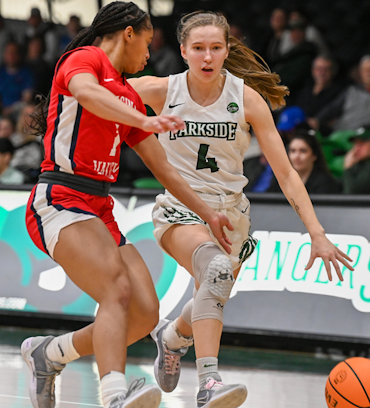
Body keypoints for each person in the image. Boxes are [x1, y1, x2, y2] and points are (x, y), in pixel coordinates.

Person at [130, 11, 353, 408]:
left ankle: (172, 339)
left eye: (216, 47)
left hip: (231, 216)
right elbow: (94, 90)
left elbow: (285, 173)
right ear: (183, 51)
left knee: (210, 294)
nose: (207, 56)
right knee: (214, 271)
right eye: (198, 48)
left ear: (227, 50)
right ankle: (209, 382)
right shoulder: (160, 89)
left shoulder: (246, 98)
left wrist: (316, 232)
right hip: (180, 210)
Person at [19, 3, 236, 408]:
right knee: (115, 289)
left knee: (144, 315)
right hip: (59, 199)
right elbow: (88, 94)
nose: (149, 55)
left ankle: (48, 354)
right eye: (148, 43)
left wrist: (207, 213)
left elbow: (165, 169)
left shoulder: (128, 99)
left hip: (99, 207)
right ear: (129, 33)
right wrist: (146, 121)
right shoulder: (83, 60)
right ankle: (114, 395)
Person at [268, 128, 341, 194]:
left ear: (314, 156)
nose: (297, 156)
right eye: (293, 151)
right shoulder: (280, 180)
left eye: (303, 151)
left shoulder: (325, 183)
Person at [298, 56, 345, 133]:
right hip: (301, 131)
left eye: (326, 69)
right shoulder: (305, 91)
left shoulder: (338, 92)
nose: (322, 73)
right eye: (319, 69)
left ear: (332, 72)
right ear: (313, 71)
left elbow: (335, 119)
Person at [0, 41, 35, 109]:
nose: (11, 56)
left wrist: (10, 110)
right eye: (8, 52)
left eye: (14, 52)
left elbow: (27, 98)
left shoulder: (26, 74)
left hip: (17, 111)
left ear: (19, 55)